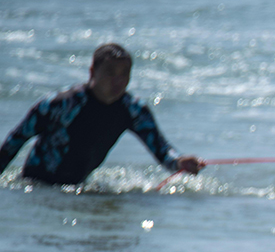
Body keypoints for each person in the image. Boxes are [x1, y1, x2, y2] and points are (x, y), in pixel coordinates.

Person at [0, 43, 204, 186]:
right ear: (92, 72)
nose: (118, 81)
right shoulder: (60, 104)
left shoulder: (133, 110)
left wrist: (179, 162)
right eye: (110, 73)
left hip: (78, 190)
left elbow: (161, 149)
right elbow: (14, 141)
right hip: (35, 188)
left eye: (125, 74)